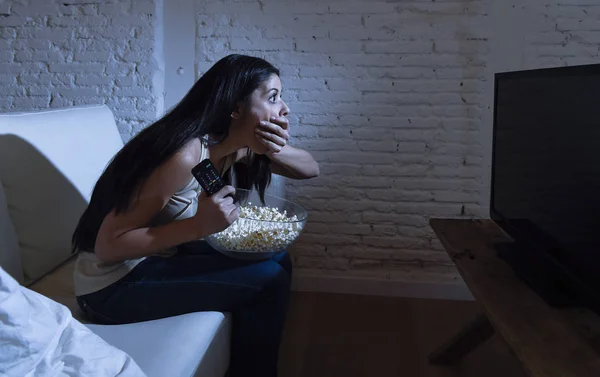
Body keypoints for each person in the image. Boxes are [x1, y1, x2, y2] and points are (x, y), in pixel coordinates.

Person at [71, 54, 319, 377]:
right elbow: (107, 245)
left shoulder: (233, 148)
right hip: (108, 288)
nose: (284, 109)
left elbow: (311, 169)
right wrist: (199, 226)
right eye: (273, 97)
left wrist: (275, 150)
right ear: (236, 108)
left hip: (154, 259)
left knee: (279, 260)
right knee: (268, 282)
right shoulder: (184, 154)